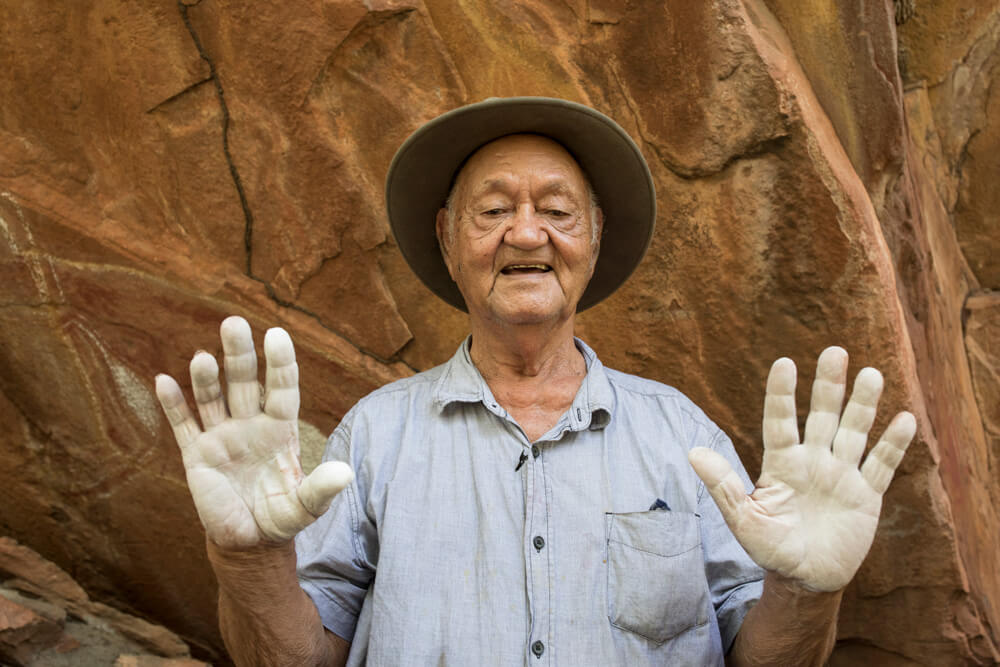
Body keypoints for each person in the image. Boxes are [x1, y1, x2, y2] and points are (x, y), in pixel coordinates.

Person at [154, 97, 916, 666]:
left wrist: (808, 589)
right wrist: (249, 558)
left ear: (593, 240)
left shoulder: (682, 438)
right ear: (450, 242)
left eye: (557, 210)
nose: (526, 232)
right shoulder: (376, 435)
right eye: (493, 210)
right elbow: (295, 658)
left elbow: (763, 656)